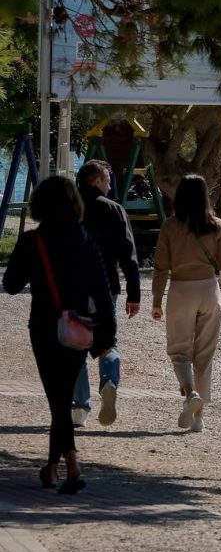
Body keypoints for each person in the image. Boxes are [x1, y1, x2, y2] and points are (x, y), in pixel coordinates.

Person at [3, 177, 116, 493]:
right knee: (61, 396)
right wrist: (107, 335)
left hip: (43, 327)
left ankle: (72, 464)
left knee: (57, 399)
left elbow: (11, 285)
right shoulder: (86, 239)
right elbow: (103, 290)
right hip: (78, 328)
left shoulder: (32, 241)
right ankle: (52, 468)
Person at [151, 175, 221, 433]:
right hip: (209, 290)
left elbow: (160, 267)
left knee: (179, 351)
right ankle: (198, 418)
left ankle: (189, 394)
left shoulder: (170, 226)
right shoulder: (216, 226)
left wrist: (156, 300)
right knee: (204, 355)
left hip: (180, 290)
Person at [71, 160, 141, 428]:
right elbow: (128, 255)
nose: (111, 185)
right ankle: (109, 381)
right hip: (104, 286)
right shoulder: (114, 210)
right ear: (95, 181)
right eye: (108, 179)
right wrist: (134, 294)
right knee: (106, 342)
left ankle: (79, 408)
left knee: (76, 344)